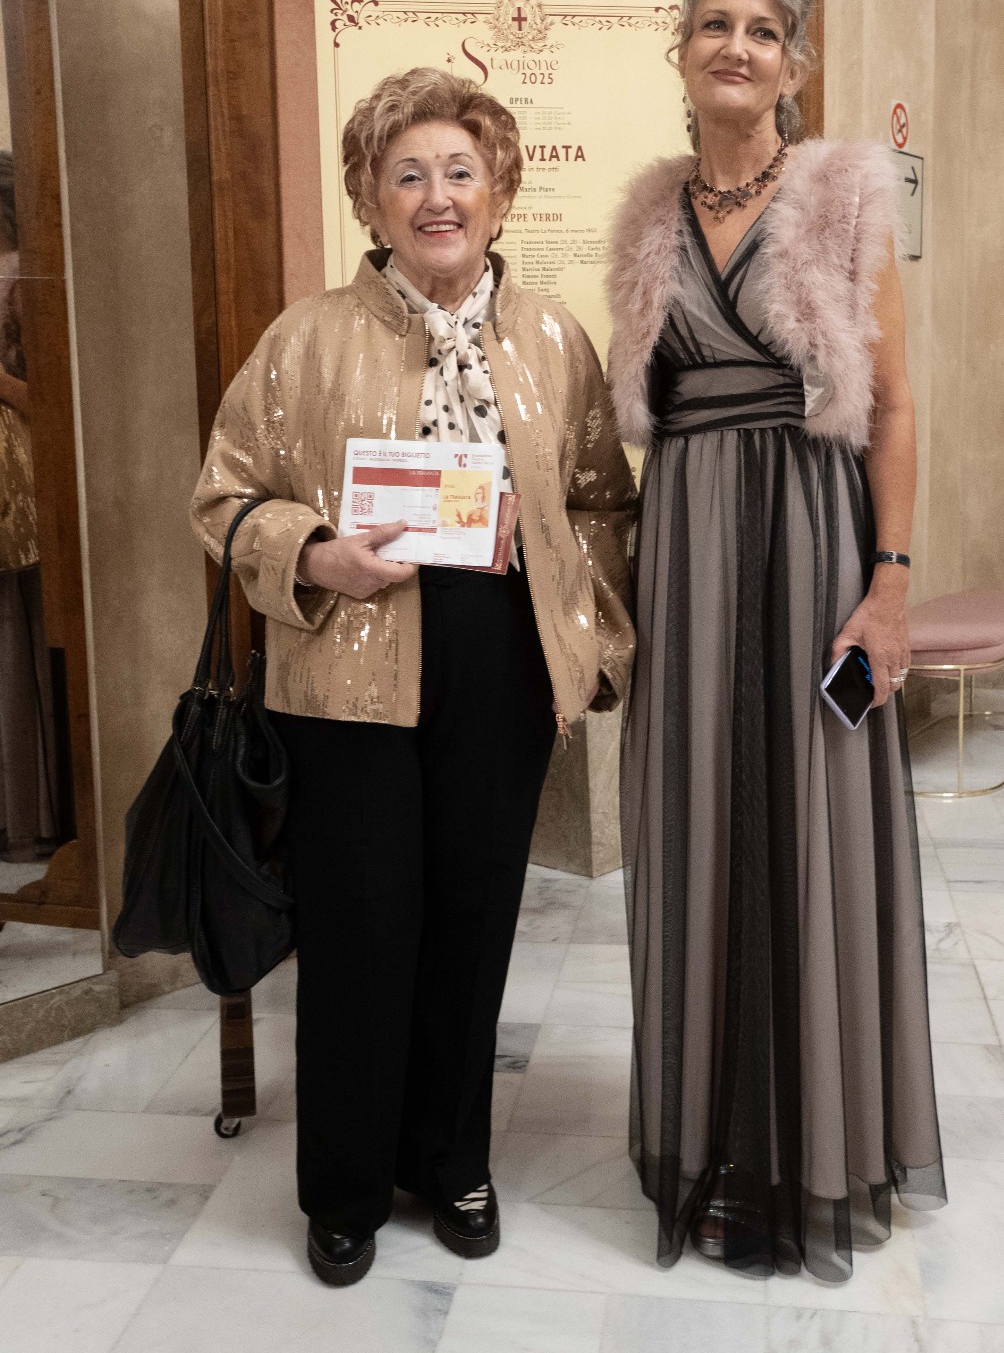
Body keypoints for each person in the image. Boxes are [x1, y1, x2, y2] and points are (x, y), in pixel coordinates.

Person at [191, 68, 636, 1287]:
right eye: (408, 175)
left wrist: (586, 637)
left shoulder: (553, 337)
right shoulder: (305, 338)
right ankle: (343, 1186)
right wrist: (315, 553)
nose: (437, 196)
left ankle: (453, 1159)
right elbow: (222, 496)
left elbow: (603, 505)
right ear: (370, 199)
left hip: (498, 665)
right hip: (344, 669)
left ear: (498, 192)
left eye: (459, 172)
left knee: (473, 921)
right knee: (359, 926)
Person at [607, 0, 945, 1280]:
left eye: (760, 30)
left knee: (810, 822)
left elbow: (894, 405)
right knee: (697, 819)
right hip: (688, 545)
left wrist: (890, 580)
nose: (734, 47)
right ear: (681, 50)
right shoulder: (646, 215)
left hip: (812, 540)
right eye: (712, 24)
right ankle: (711, 1140)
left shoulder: (846, 194)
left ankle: (811, 1144)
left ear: (791, 63)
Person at [0, 151, 57, 867]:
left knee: (20, 636)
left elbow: (46, 395)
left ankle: (28, 814)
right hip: (23, 479)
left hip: (21, 475)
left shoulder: (20, 277)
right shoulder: (22, 273)